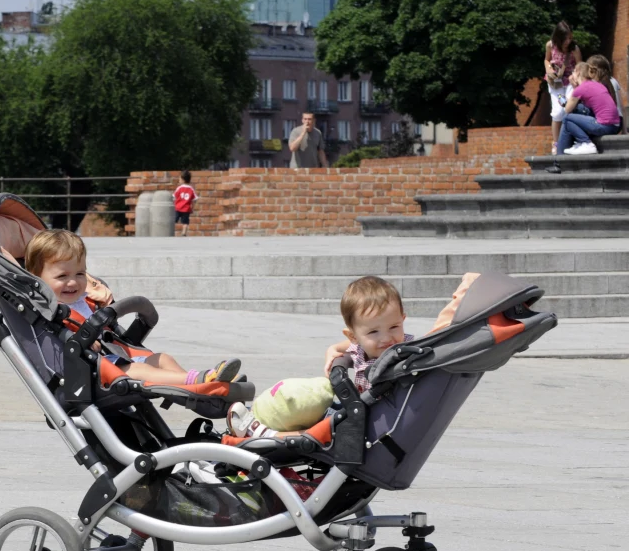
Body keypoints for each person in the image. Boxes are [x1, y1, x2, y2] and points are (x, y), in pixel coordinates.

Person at [229, 274, 478, 439]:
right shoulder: (363, 345)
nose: (386, 338)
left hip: (364, 423)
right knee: (310, 403)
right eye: (373, 331)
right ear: (354, 336)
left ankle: (263, 433)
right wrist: (335, 350)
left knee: (316, 430)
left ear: (403, 319)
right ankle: (258, 416)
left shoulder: (405, 353)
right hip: (355, 412)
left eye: (394, 327)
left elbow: (437, 335)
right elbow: (347, 346)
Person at [25, 229, 239, 386]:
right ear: (38, 279)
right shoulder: (51, 310)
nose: (73, 282)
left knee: (163, 358)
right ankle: (198, 380)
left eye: (80, 274)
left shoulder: (87, 299)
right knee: (140, 370)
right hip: (97, 367)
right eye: (62, 276)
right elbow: (58, 340)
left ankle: (196, 389)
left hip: (117, 354)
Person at [556, 61, 620, 156]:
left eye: (573, 72)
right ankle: (560, 159)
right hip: (615, 126)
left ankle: (586, 143)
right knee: (578, 110)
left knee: (566, 118)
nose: (571, 75)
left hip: (604, 126)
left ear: (578, 72)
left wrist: (574, 88)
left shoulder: (581, 88)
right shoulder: (596, 84)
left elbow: (567, 110)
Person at [544, 22, 582, 156]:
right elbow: (546, 60)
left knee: (569, 108)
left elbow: (580, 66)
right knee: (558, 111)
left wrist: (576, 76)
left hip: (570, 82)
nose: (568, 41)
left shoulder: (574, 49)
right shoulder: (550, 45)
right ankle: (556, 142)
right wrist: (548, 70)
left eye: (570, 38)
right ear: (558, 38)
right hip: (556, 85)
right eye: (565, 39)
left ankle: (572, 140)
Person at [173, 171, 197, 236]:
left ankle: (171, 231)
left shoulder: (179, 188)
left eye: (180, 179)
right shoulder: (191, 189)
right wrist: (192, 207)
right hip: (186, 209)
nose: (179, 180)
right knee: (185, 222)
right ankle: (184, 232)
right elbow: (194, 199)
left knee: (174, 220)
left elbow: (174, 196)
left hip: (178, 208)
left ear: (183, 180)